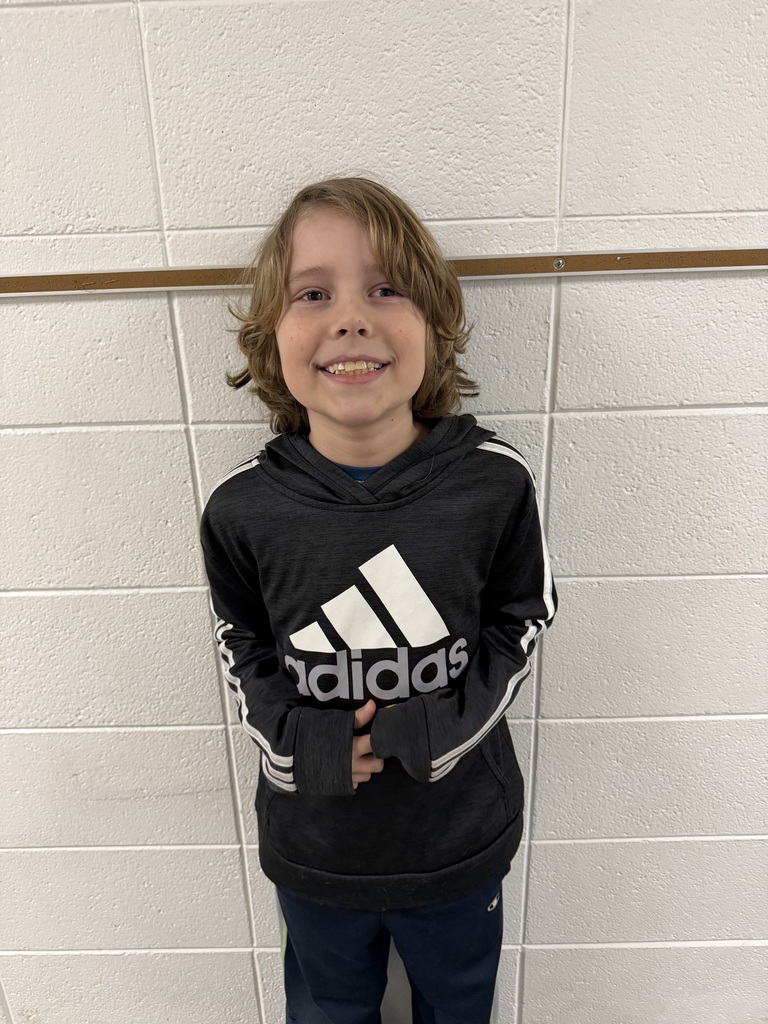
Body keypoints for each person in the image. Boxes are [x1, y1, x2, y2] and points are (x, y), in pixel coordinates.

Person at [200, 176, 557, 1024]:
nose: (351, 317)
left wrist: (445, 726)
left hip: (460, 845)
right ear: (270, 337)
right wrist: (298, 745)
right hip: (315, 849)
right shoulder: (242, 507)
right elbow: (238, 640)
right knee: (326, 1011)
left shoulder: (493, 484)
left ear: (432, 324)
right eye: (313, 294)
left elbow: (525, 618)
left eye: (385, 288)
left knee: (458, 1008)